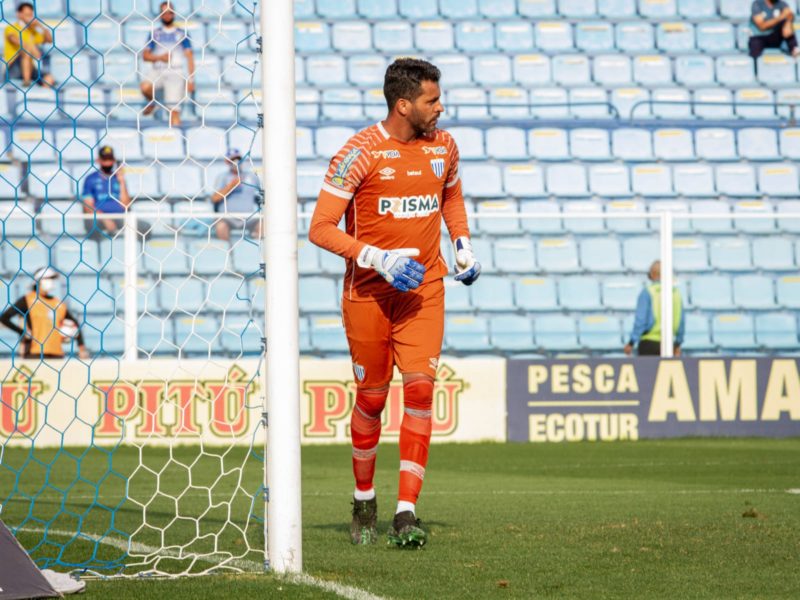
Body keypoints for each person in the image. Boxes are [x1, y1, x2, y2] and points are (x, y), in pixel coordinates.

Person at [309, 58, 480, 547]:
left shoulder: (444, 146)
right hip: (368, 292)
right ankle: (364, 499)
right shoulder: (358, 152)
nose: (440, 107)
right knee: (373, 397)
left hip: (424, 288)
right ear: (404, 105)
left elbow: (450, 196)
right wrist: (374, 258)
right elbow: (319, 228)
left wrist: (462, 242)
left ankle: (407, 513)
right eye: (432, 100)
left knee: (423, 390)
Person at [0, 268, 89, 360]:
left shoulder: (58, 304)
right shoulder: (27, 300)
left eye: (53, 279)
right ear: (38, 281)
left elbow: (75, 324)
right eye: (48, 278)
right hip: (34, 353)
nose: (51, 281)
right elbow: (4, 318)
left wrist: (81, 347)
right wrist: (23, 332)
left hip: (57, 354)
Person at [140, 1, 195, 126]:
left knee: (174, 112)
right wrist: (160, 58)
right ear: (160, 14)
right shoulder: (155, 34)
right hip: (158, 70)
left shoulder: (182, 34)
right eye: (164, 12)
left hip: (175, 73)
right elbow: (145, 56)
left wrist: (191, 79)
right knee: (144, 87)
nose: (167, 15)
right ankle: (153, 102)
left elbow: (190, 57)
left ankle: (175, 141)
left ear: (174, 14)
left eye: (170, 12)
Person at [624, 261, 685, 357]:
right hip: (669, 344)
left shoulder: (647, 292)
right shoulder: (676, 293)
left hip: (649, 344)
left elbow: (641, 320)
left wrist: (631, 342)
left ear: (652, 274)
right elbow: (681, 321)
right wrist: (677, 344)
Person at [211, 149, 262, 242]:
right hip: (227, 218)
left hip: (249, 218)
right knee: (221, 227)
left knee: (264, 225)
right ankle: (228, 254)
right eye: (233, 159)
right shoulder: (222, 177)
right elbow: (214, 198)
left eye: (238, 158)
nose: (236, 162)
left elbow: (262, 194)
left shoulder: (252, 177)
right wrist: (231, 186)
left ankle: (258, 252)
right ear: (227, 162)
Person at [81, 145, 132, 239]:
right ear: (98, 160)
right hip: (99, 218)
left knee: (143, 227)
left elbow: (126, 205)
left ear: (114, 161)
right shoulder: (90, 179)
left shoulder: (118, 178)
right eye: (104, 159)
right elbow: (88, 207)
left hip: (120, 217)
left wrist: (122, 182)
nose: (107, 163)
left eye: (110, 159)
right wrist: (104, 219)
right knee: (93, 226)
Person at [3, 2, 55, 87]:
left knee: (49, 79)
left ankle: (43, 97)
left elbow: (49, 40)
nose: (29, 17)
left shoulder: (33, 31)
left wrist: (39, 25)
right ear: (19, 14)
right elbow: (15, 40)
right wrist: (33, 50)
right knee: (26, 51)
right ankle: (26, 83)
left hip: (30, 67)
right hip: (13, 67)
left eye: (31, 15)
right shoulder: (11, 28)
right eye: (27, 14)